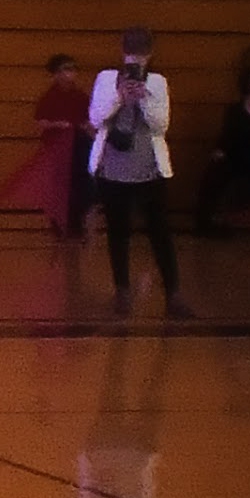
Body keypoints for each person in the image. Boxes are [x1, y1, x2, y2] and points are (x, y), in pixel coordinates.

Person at [87, 26, 188, 317]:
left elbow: (161, 125)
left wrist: (143, 97)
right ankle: (122, 291)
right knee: (118, 231)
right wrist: (120, 95)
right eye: (132, 53)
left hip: (148, 169)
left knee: (159, 231)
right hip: (113, 168)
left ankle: (174, 294)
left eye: (141, 54)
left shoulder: (158, 81)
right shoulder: (106, 79)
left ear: (150, 55)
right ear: (122, 52)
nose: (136, 60)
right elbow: (96, 118)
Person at [0, 53, 92, 236]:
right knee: (59, 188)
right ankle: (59, 223)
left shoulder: (81, 96)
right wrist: (59, 125)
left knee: (80, 186)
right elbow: (40, 123)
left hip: (78, 148)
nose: (70, 74)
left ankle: (76, 223)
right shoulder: (49, 98)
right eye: (65, 70)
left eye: (73, 69)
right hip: (57, 150)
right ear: (55, 74)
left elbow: (89, 121)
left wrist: (86, 130)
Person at [196, 65, 250, 237]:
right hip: (236, 157)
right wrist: (219, 150)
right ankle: (205, 222)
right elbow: (226, 136)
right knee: (214, 172)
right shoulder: (235, 110)